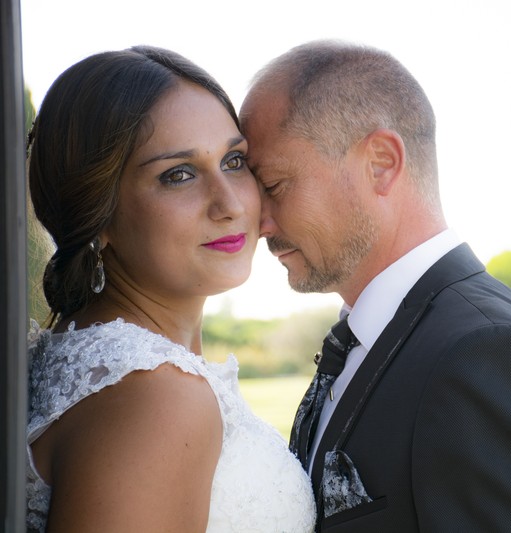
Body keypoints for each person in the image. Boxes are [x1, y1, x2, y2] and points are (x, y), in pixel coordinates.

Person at [240, 40, 511, 532]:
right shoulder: (371, 340)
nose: (260, 223)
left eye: (273, 185)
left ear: (381, 163)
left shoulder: (484, 356)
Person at [25, 46, 315, 532]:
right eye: (178, 175)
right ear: (98, 212)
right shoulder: (157, 395)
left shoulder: (100, 364)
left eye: (234, 161)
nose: (229, 204)